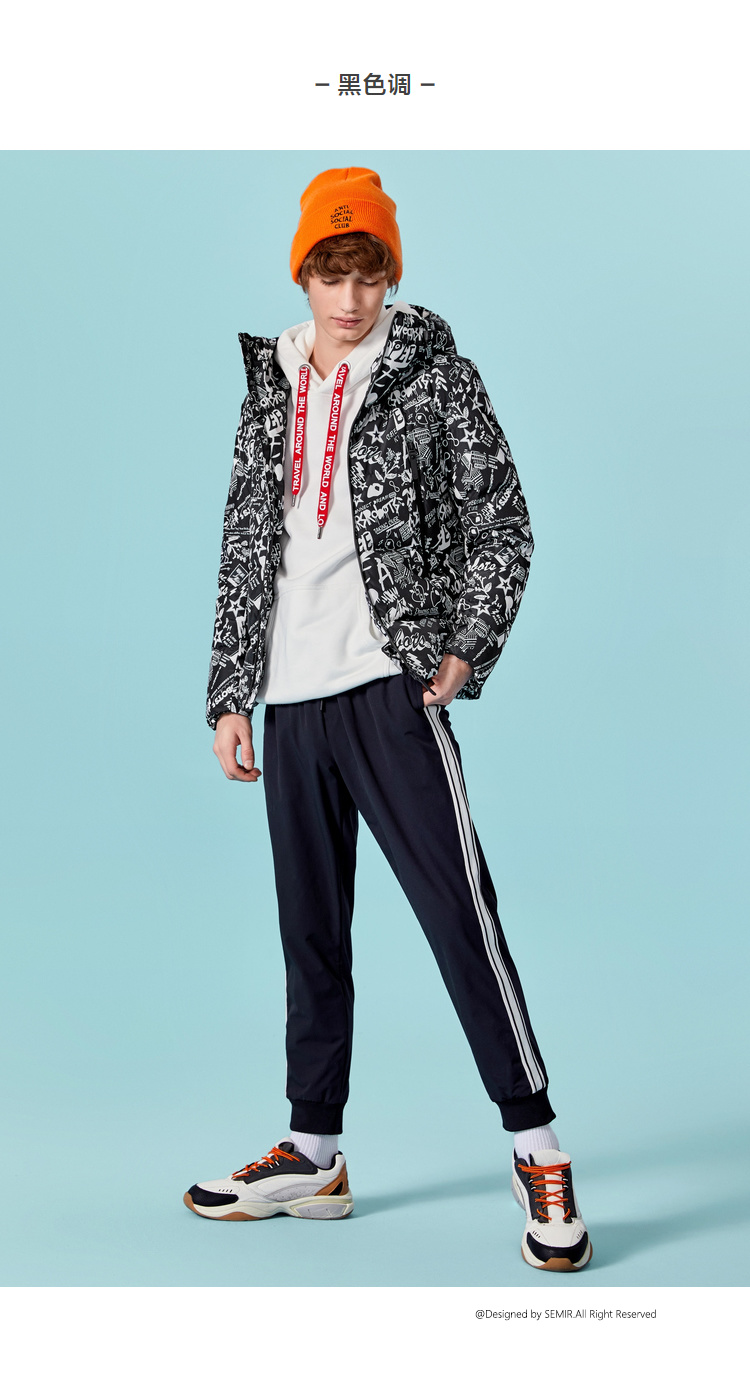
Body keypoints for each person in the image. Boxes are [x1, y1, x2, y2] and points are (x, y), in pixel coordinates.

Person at [184, 167, 592, 1271]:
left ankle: (539, 1149)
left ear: (389, 277)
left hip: (387, 689)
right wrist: (229, 690)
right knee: (310, 934)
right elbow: (245, 540)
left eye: (368, 275)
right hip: (289, 698)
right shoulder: (269, 385)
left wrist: (465, 644)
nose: (351, 298)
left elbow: (503, 520)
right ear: (303, 277)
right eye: (332, 275)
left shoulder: (433, 376)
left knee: (462, 920)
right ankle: (314, 1154)